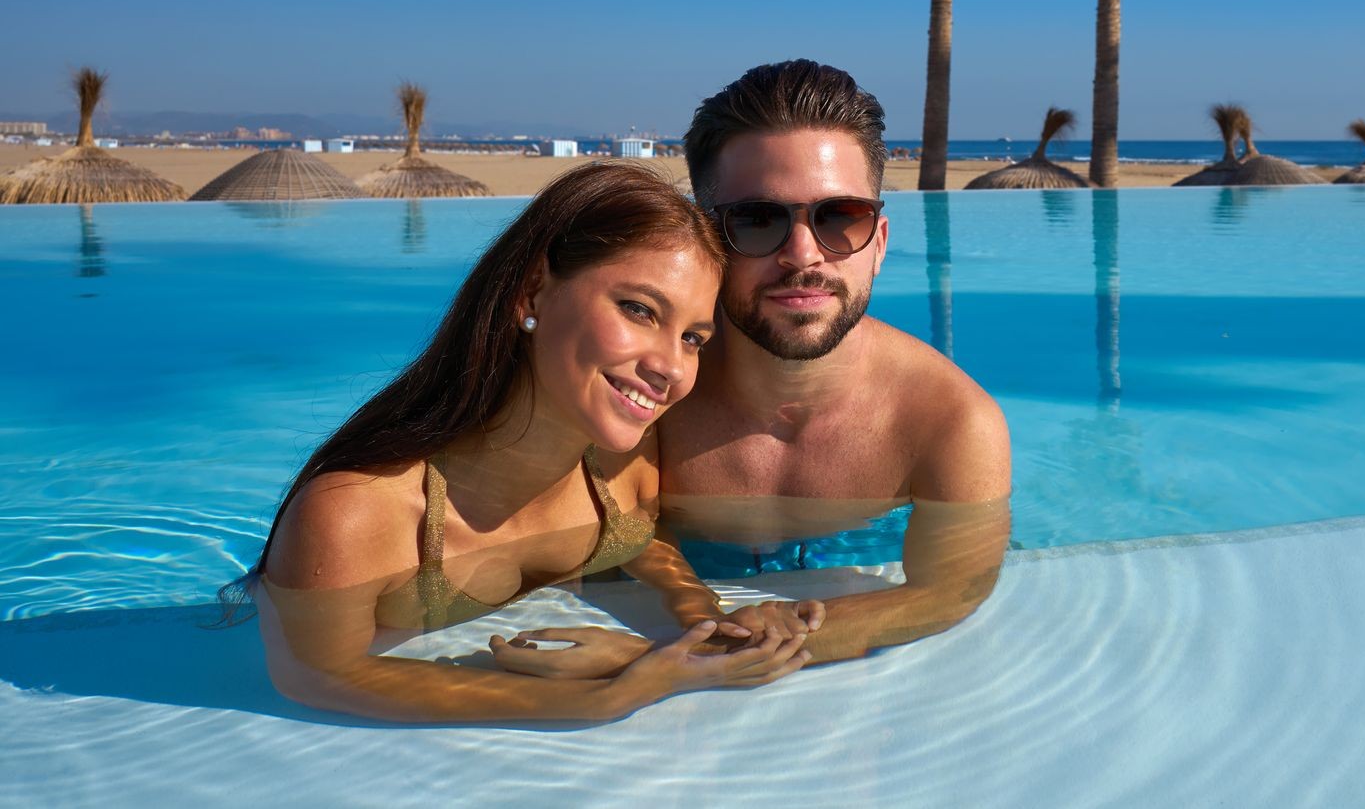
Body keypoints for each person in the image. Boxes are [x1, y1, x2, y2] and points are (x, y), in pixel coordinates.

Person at [234, 163, 815, 723]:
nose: (670, 366)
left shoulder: (623, 463)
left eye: (692, 337)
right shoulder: (354, 515)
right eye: (639, 309)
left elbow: (642, 540)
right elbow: (315, 676)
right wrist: (604, 697)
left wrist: (700, 615)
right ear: (532, 291)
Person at [495, 60, 1010, 681]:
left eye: (840, 217)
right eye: (757, 219)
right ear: (707, 238)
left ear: (878, 242)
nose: (803, 256)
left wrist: (678, 656)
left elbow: (950, 589)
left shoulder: (951, 423)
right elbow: (596, 530)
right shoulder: (639, 386)